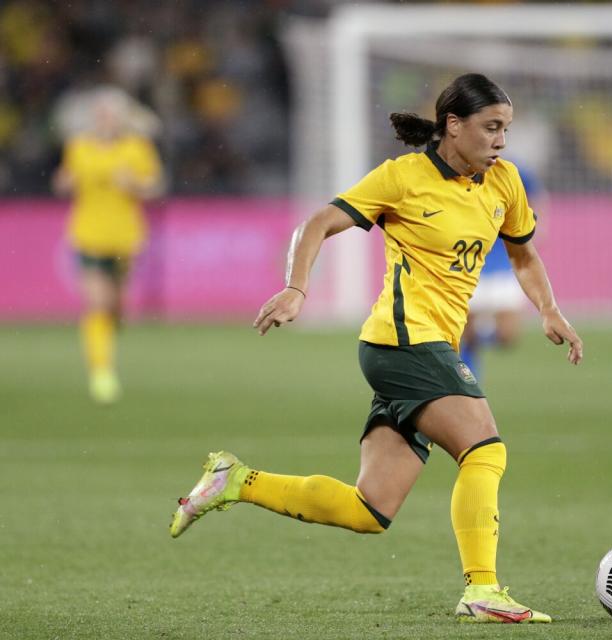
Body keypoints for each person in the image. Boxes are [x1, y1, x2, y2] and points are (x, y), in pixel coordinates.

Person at [169, 73, 583, 623]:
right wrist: (297, 288)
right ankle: (482, 589)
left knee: (370, 509)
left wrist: (549, 310)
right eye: (491, 127)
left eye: (506, 128)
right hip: (404, 342)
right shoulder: (403, 178)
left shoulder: (504, 182)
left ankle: (236, 481)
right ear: (453, 126)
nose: (502, 141)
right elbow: (317, 223)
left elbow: (525, 255)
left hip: (417, 348)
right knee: (485, 450)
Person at [52, 87, 164, 404]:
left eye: (111, 115)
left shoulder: (136, 148)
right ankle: (101, 373)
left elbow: (155, 185)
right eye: (101, 114)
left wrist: (136, 185)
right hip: (87, 236)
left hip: (125, 239)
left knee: (116, 307)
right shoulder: (79, 147)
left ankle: (107, 340)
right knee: (97, 304)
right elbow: (63, 180)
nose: (105, 120)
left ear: (121, 119)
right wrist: (65, 182)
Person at [459, 163, 546, 380]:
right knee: (463, 333)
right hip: (471, 265)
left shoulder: (513, 171)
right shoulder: (459, 169)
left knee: (509, 336)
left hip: (505, 264)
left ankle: (477, 336)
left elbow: (536, 199)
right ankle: (469, 382)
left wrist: (534, 231)